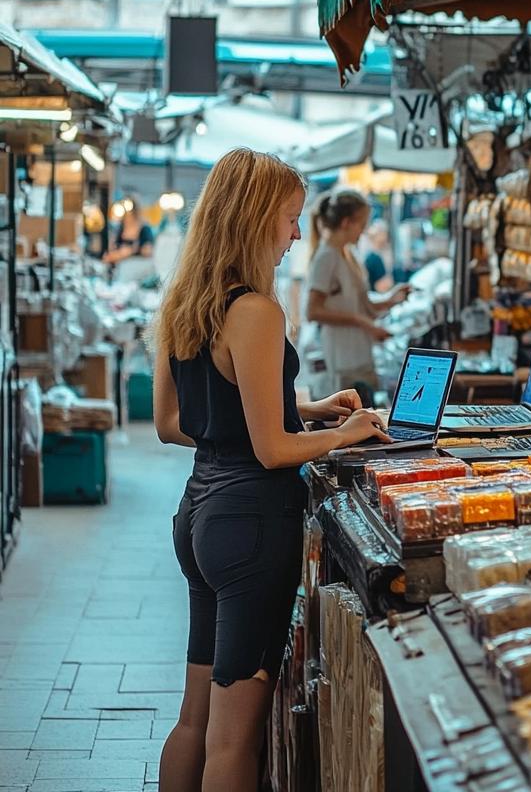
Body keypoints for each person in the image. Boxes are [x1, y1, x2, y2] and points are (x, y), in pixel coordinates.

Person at [152, 149, 391, 792]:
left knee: (195, 720)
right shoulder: (256, 311)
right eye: (288, 219)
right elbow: (271, 452)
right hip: (251, 525)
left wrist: (300, 408)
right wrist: (341, 433)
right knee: (236, 741)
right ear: (255, 218)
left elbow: (176, 423)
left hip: (199, 513)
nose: (293, 235)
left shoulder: (186, 301)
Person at [305, 190, 410, 405]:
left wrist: (391, 298)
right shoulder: (326, 257)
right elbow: (313, 311)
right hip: (342, 359)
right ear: (346, 223)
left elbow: (361, 302)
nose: (363, 232)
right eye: (362, 225)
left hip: (358, 356)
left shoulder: (348, 254)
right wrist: (363, 322)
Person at [103, 196, 155, 263]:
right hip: (121, 268)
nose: (127, 218)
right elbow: (115, 248)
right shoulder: (121, 228)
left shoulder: (145, 229)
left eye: (130, 215)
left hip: (136, 266)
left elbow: (148, 251)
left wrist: (131, 251)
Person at [361, 217, 394, 292]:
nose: (386, 236)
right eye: (383, 233)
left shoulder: (382, 254)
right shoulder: (373, 258)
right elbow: (381, 286)